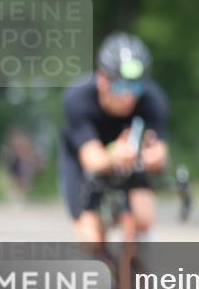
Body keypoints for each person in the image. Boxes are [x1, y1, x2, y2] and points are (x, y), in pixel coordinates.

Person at [59, 32, 169, 244]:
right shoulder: (78, 99)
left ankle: (135, 256)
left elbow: (161, 153)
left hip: (131, 160)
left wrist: (153, 158)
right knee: (90, 239)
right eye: (120, 87)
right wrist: (114, 154)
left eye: (136, 87)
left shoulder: (153, 99)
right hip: (84, 158)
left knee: (143, 219)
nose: (129, 96)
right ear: (102, 79)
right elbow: (92, 160)